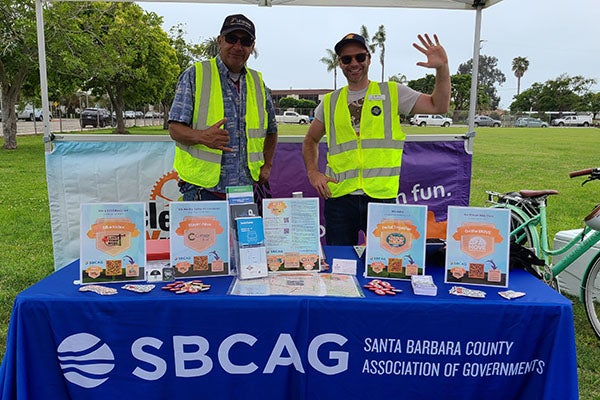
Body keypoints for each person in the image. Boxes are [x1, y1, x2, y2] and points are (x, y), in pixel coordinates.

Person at [302, 33, 450, 245]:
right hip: (340, 198)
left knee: (385, 264)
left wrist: (442, 68)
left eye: (360, 57)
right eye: (347, 59)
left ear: (369, 59)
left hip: (382, 198)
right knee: (341, 265)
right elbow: (310, 140)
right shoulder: (330, 102)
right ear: (340, 64)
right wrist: (313, 173)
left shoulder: (392, 92)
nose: (354, 63)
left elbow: (439, 106)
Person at [169, 14, 278, 202]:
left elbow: (272, 131)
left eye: (245, 41)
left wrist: (267, 165)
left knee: (247, 233)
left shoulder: (258, 83)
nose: (238, 46)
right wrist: (202, 137)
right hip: (202, 191)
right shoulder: (195, 75)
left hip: (245, 192)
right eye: (231, 39)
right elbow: (174, 129)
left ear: (252, 47)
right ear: (220, 41)